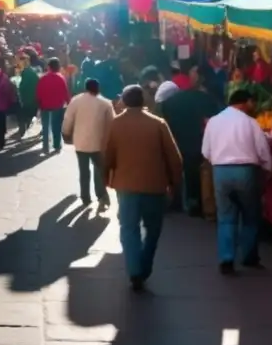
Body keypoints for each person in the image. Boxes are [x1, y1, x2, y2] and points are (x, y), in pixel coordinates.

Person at [103, 85, 183, 291]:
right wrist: (174, 183)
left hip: (126, 186)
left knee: (128, 229)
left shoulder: (116, 124)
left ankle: (134, 269)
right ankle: (144, 265)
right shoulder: (158, 124)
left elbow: (107, 157)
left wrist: (106, 179)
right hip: (155, 186)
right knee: (153, 229)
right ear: (144, 101)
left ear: (125, 101)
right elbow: (175, 158)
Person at [201, 90, 272, 275]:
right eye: (252, 103)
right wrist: (267, 168)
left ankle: (227, 259)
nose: (254, 107)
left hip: (220, 172)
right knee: (250, 216)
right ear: (246, 102)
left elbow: (206, 151)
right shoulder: (250, 123)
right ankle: (248, 257)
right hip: (245, 172)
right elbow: (263, 151)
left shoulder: (214, 121)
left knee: (225, 217)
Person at [161, 66, 222, 217]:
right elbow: (214, 121)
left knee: (177, 171)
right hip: (197, 141)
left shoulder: (174, 100)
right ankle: (196, 203)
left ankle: (176, 202)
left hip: (176, 140)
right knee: (195, 173)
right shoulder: (207, 100)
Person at [62, 78, 115, 209]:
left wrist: (66, 132)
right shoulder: (105, 103)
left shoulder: (76, 101)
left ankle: (85, 197)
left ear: (85, 88)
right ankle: (101, 195)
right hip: (99, 143)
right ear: (98, 88)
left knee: (84, 171)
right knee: (100, 170)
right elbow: (113, 122)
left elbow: (68, 118)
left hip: (80, 142)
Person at [36, 57, 71, 153]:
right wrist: (69, 103)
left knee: (46, 126)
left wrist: (39, 104)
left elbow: (38, 92)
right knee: (57, 126)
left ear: (49, 67)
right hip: (57, 105)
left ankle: (45, 146)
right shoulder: (61, 78)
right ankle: (56, 144)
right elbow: (65, 92)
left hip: (45, 105)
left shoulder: (43, 78)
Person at [17, 61, 40, 140]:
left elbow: (21, 88)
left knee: (23, 117)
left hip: (26, 101)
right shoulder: (35, 75)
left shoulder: (25, 77)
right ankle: (28, 129)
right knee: (31, 116)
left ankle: (23, 131)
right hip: (34, 100)